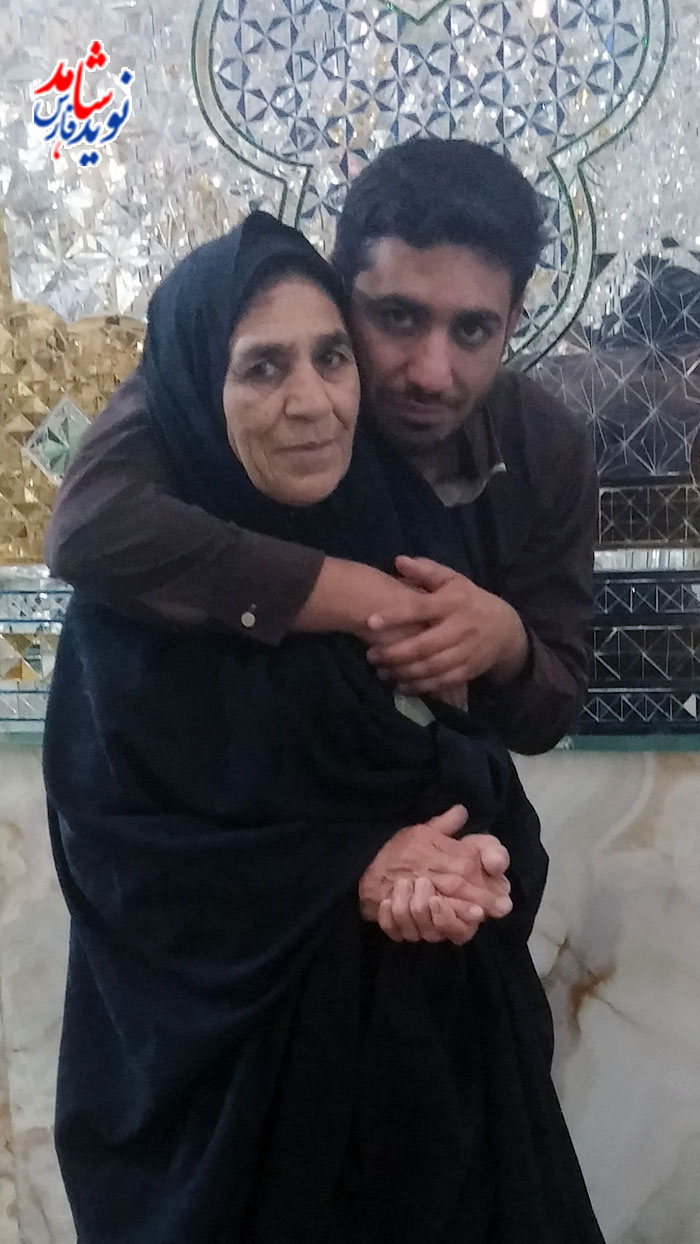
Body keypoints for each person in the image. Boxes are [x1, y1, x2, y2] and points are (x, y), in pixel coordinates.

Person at [44, 210, 604, 1244]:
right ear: (197, 388)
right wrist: (357, 867)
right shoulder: (135, 611)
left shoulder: (404, 528)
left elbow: (489, 763)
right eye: (262, 367)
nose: (311, 401)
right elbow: (130, 865)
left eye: (329, 358)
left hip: (438, 1102)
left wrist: (471, 863)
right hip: (228, 1120)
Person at [44, 138, 598, 757]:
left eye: (472, 329)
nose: (431, 373)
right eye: (397, 317)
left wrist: (504, 642)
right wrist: (361, 596)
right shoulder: (227, 386)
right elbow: (88, 528)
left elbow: (548, 716)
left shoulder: (544, 447)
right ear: (339, 288)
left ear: (514, 320)